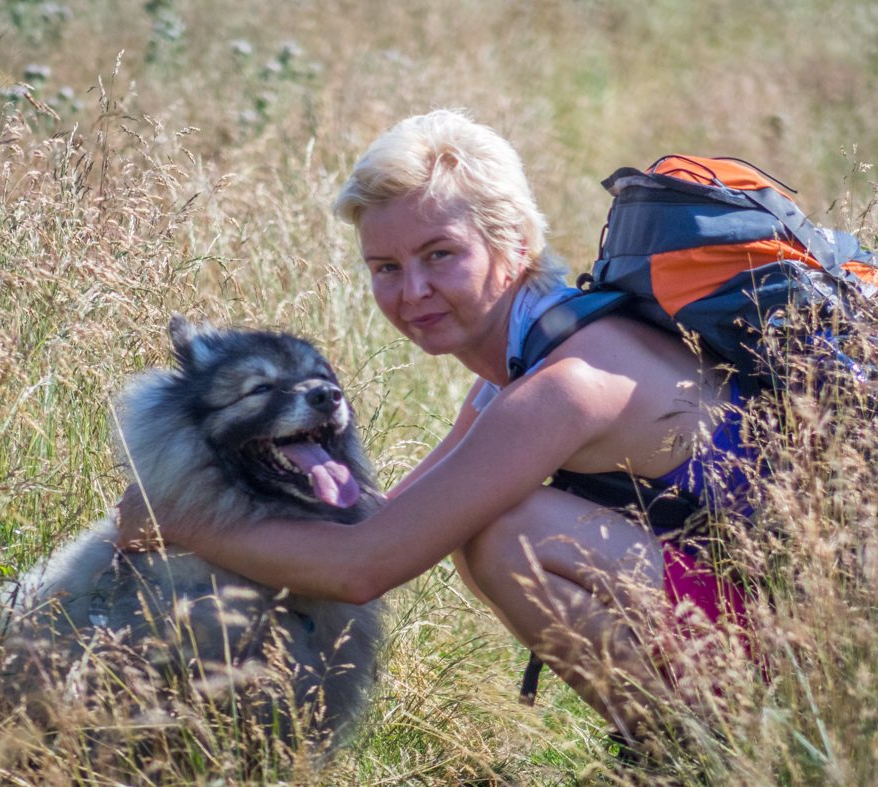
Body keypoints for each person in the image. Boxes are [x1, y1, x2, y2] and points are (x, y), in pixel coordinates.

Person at [117, 109, 750, 738]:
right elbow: (390, 517)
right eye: (385, 267)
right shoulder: (525, 360)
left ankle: (692, 750)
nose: (411, 291)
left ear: (515, 246)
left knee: (508, 537)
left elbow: (362, 567)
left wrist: (176, 519)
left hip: (802, 636)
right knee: (477, 534)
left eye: (439, 254)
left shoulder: (563, 387)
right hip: (745, 600)